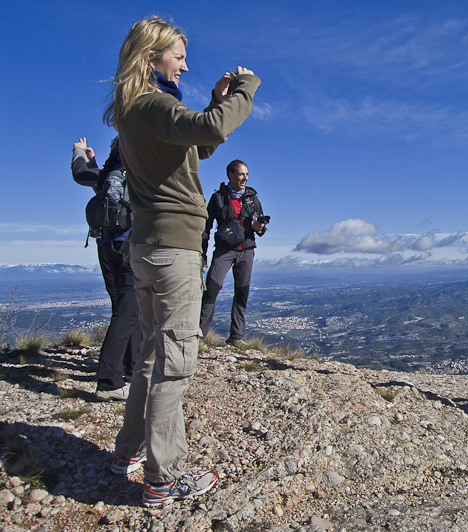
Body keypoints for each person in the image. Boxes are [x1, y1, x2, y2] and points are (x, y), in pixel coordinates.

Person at [103, 15, 260, 507]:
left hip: (148, 247)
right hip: (173, 252)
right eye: (178, 56)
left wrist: (215, 100)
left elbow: (203, 144)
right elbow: (214, 128)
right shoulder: (153, 105)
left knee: (152, 355)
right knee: (174, 363)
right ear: (151, 58)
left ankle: (126, 452)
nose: (185, 65)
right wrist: (245, 89)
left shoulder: (138, 110)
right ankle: (162, 478)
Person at [71, 136, 140, 401]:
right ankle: (109, 381)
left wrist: (81, 155)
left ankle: (131, 367)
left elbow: (81, 174)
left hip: (106, 247)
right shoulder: (137, 169)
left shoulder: (108, 173)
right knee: (128, 312)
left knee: (124, 309)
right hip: (129, 247)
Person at [199, 159, 268, 344]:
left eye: (246, 174)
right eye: (240, 174)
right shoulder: (218, 198)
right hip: (224, 250)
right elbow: (205, 228)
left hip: (246, 250)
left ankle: (237, 337)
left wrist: (258, 227)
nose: (244, 178)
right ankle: (199, 334)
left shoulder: (253, 199)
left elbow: (261, 230)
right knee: (212, 289)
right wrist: (202, 254)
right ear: (230, 175)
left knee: (242, 292)